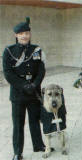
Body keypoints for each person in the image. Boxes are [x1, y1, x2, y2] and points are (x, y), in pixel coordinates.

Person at [2, 17, 49, 160]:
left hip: (33, 92)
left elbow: (41, 69)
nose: (24, 36)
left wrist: (34, 84)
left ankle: (38, 145)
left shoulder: (37, 49)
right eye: (21, 33)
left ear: (30, 34)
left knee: (35, 120)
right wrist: (23, 86)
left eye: (27, 33)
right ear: (16, 35)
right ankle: (18, 152)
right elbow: (8, 73)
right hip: (18, 94)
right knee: (18, 124)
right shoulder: (9, 51)